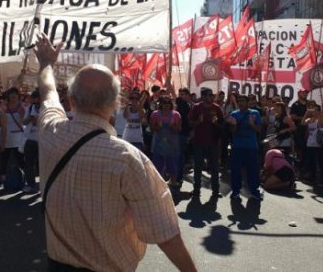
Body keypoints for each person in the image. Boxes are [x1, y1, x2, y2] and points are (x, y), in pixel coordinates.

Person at [34, 34, 197, 272]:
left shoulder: (50, 130)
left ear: (70, 100)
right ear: (115, 105)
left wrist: (46, 63)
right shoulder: (127, 159)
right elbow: (166, 234)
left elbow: (47, 91)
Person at [189, 88, 224, 198]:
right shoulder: (196, 107)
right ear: (203, 97)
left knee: (214, 168)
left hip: (213, 143)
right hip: (199, 142)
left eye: (212, 95)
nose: (212, 97)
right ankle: (196, 189)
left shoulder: (217, 108)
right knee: (198, 167)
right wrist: (198, 121)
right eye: (209, 95)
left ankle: (215, 190)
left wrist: (216, 123)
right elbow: (190, 122)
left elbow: (222, 125)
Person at [226, 95, 263, 201]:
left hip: (251, 147)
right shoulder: (234, 114)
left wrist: (252, 124)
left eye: (243, 101)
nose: (241, 103)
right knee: (236, 171)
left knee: (252, 171)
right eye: (239, 101)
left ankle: (255, 192)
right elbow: (232, 131)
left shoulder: (255, 113)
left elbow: (259, 129)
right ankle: (235, 192)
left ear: (247, 102)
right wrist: (234, 124)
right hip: (237, 147)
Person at [150, 95, 182, 189]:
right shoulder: (155, 114)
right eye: (164, 103)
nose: (166, 105)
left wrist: (173, 127)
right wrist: (157, 127)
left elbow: (179, 129)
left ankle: (173, 182)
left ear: (171, 104)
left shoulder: (176, 114)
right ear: (161, 104)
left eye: (168, 103)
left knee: (172, 164)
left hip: (172, 144)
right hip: (158, 143)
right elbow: (152, 128)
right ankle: (158, 183)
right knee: (157, 164)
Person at [22, 89, 40, 193]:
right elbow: (24, 122)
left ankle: (43, 185)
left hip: (43, 140)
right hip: (30, 139)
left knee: (43, 164)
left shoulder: (46, 109)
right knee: (29, 163)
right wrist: (31, 119)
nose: (36, 104)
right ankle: (30, 184)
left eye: (38, 101)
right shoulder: (30, 108)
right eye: (34, 101)